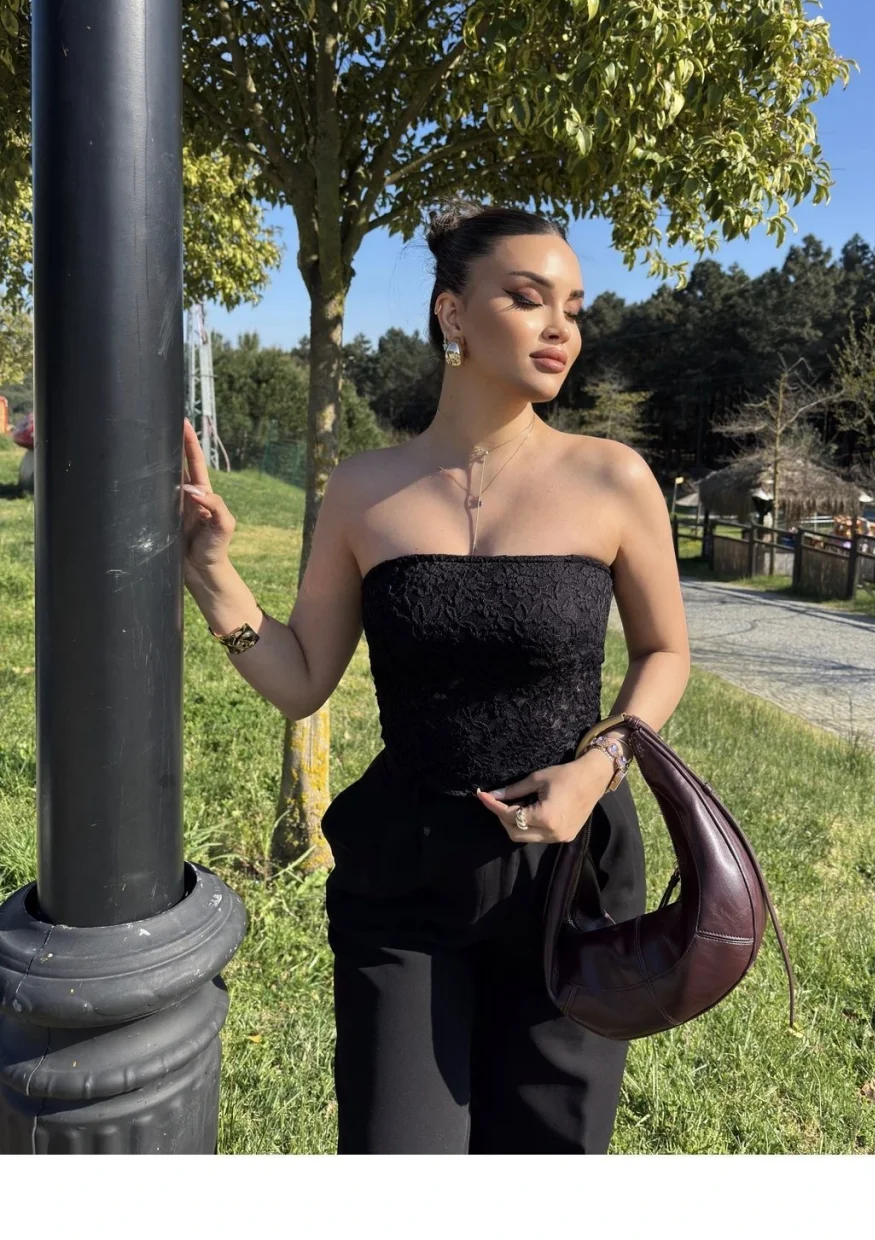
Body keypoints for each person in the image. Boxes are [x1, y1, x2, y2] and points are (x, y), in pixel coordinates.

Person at [181, 200, 691, 1154]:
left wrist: (599, 769)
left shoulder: (613, 479)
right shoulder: (363, 488)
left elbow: (665, 653)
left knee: (546, 1158)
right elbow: (302, 681)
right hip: (404, 868)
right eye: (528, 299)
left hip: (570, 870)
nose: (560, 328)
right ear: (452, 313)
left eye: (573, 308)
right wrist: (213, 577)